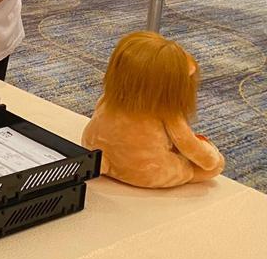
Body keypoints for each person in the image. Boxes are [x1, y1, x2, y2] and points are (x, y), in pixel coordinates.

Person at [82, 32, 225, 188]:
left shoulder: (111, 97)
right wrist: (212, 160)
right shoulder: (168, 113)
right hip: (144, 171)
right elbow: (188, 144)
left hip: (97, 156)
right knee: (210, 168)